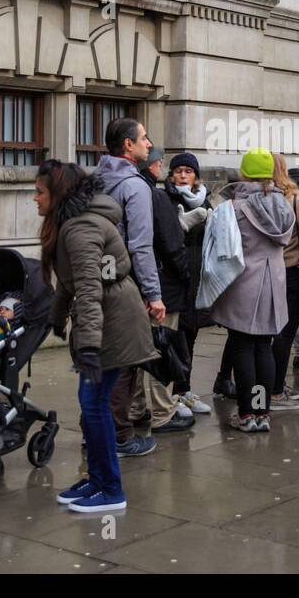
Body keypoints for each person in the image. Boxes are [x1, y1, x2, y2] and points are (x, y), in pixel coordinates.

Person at [40, 161, 156, 513]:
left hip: (113, 323)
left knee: (94, 406)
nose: (35, 199)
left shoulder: (80, 229)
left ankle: (111, 489)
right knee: (92, 405)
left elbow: (90, 289)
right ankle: (98, 479)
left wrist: (88, 345)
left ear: (58, 194)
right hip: (107, 319)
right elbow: (68, 282)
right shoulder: (72, 225)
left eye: (40, 192)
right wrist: (57, 320)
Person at [211, 149, 295, 432]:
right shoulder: (284, 205)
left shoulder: (234, 207)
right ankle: (262, 412)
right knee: (264, 347)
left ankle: (247, 414)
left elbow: (222, 247)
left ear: (244, 172)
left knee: (242, 347)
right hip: (274, 282)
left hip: (243, 281)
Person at [95, 118, 162, 459]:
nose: (149, 144)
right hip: (125, 284)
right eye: (144, 138)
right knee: (123, 360)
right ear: (128, 146)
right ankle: (120, 435)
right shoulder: (134, 187)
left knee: (99, 356)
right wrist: (153, 294)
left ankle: (96, 427)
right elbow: (141, 246)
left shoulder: (95, 179)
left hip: (94, 282)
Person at [132, 146, 196, 434]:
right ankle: (161, 412)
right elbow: (172, 246)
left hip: (133, 286)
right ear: (157, 166)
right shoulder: (156, 196)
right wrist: (186, 276)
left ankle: (136, 408)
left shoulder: (126, 191)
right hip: (161, 286)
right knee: (161, 347)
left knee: (136, 351)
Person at [163, 152, 214, 407]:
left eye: (188, 171)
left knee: (190, 337)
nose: (183, 175)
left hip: (198, 278)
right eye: (178, 170)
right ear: (171, 174)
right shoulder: (165, 199)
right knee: (173, 339)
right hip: (174, 278)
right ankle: (171, 395)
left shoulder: (206, 202)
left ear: (196, 176)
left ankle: (184, 391)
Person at [268, 155, 299, 411]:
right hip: (291, 272)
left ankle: (264, 387)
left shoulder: (249, 200)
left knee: (264, 336)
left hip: (261, 275)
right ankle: (274, 391)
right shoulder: (294, 200)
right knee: (284, 335)